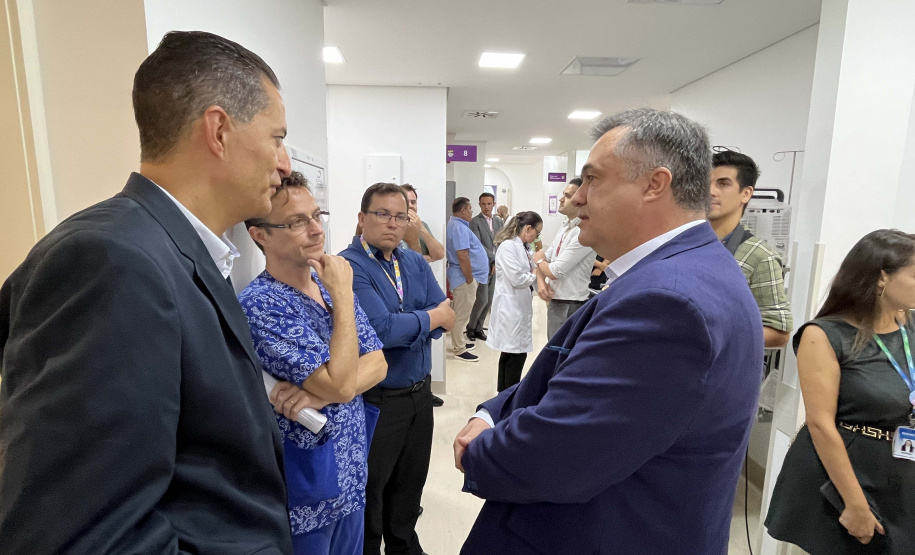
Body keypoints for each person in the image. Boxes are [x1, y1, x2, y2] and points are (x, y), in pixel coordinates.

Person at [0, 31, 294, 553]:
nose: (285, 163)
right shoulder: (113, 261)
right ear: (219, 130)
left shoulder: (175, 250)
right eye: (276, 137)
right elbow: (85, 535)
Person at [452, 108, 763, 554]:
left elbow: (559, 455)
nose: (576, 199)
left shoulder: (669, 302)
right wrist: (490, 414)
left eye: (592, 180)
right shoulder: (679, 271)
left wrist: (476, 452)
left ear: (654, 184)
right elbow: (565, 376)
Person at [239, 172, 388, 554]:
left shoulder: (325, 284)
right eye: (295, 222)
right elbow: (342, 383)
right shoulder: (262, 305)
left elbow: (378, 362)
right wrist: (342, 293)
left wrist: (320, 395)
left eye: (316, 216)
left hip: (352, 472)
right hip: (308, 495)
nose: (315, 230)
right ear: (260, 234)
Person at [766, 229, 915, 554]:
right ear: (881, 278)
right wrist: (855, 504)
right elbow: (820, 424)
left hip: (900, 468)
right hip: (847, 468)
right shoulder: (824, 335)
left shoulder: (909, 326)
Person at [339, 183, 455, 555]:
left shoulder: (415, 262)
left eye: (400, 216)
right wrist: (427, 319)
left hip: (419, 397)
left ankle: (405, 546)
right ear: (362, 218)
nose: (393, 224)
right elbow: (381, 329)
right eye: (383, 214)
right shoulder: (349, 266)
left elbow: (447, 314)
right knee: (373, 492)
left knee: (410, 486)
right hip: (377, 401)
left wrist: (416, 322)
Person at [709, 151, 793, 347]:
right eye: (707, 183)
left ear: (745, 193)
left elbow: (779, 331)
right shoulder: (682, 243)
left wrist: (716, 337)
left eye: (723, 183)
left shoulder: (759, 256)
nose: (711, 191)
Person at [486, 211, 544, 392]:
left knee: (511, 352)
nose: (537, 237)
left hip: (518, 306)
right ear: (528, 228)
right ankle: (507, 395)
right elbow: (518, 279)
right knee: (515, 355)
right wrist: (535, 273)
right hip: (510, 308)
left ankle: (503, 394)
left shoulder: (524, 247)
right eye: (537, 232)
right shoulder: (508, 247)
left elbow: (529, 268)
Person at [533, 178, 597, 338]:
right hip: (557, 299)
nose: (561, 199)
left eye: (567, 196)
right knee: (553, 351)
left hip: (571, 303)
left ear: (580, 200)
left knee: (560, 356)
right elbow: (543, 258)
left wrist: (540, 260)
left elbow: (555, 270)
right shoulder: (565, 227)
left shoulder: (584, 231)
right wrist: (541, 282)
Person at [446, 197, 489, 362]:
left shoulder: (459, 225)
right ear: (463, 210)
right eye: (470, 209)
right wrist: (470, 279)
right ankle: (459, 349)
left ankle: (460, 342)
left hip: (465, 277)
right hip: (464, 278)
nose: (472, 211)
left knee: (461, 312)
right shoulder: (458, 227)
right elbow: (462, 255)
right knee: (461, 315)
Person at [467, 192, 504, 341]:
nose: (486, 207)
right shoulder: (474, 222)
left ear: (494, 203)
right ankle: (471, 326)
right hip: (482, 264)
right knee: (481, 299)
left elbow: (502, 240)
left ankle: (479, 327)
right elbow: (478, 244)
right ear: (479, 204)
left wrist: (498, 260)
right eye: (483, 204)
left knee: (489, 299)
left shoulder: (498, 221)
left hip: (496, 264)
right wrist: (494, 259)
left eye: (489, 204)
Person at [400, 184, 445, 263]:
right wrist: (427, 258)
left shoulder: (422, 225)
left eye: (413, 202)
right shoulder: (392, 226)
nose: (410, 206)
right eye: (406, 202)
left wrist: (421, 228)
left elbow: (440, 254)